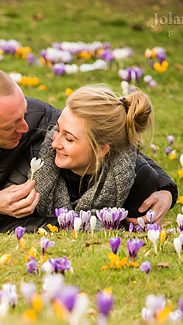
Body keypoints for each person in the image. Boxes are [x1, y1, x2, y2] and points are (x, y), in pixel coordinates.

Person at [0, 69, 175, 233]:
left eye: (23, 115)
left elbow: (108, 139)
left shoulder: (33, 115)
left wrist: (163, 187)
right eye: (11, 126)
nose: (25, 126)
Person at [33, 84, 168, 227]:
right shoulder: (38, 159)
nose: (54, 144)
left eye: (69, 139)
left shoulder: (136, 180)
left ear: (100, 150)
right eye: (57, 129)